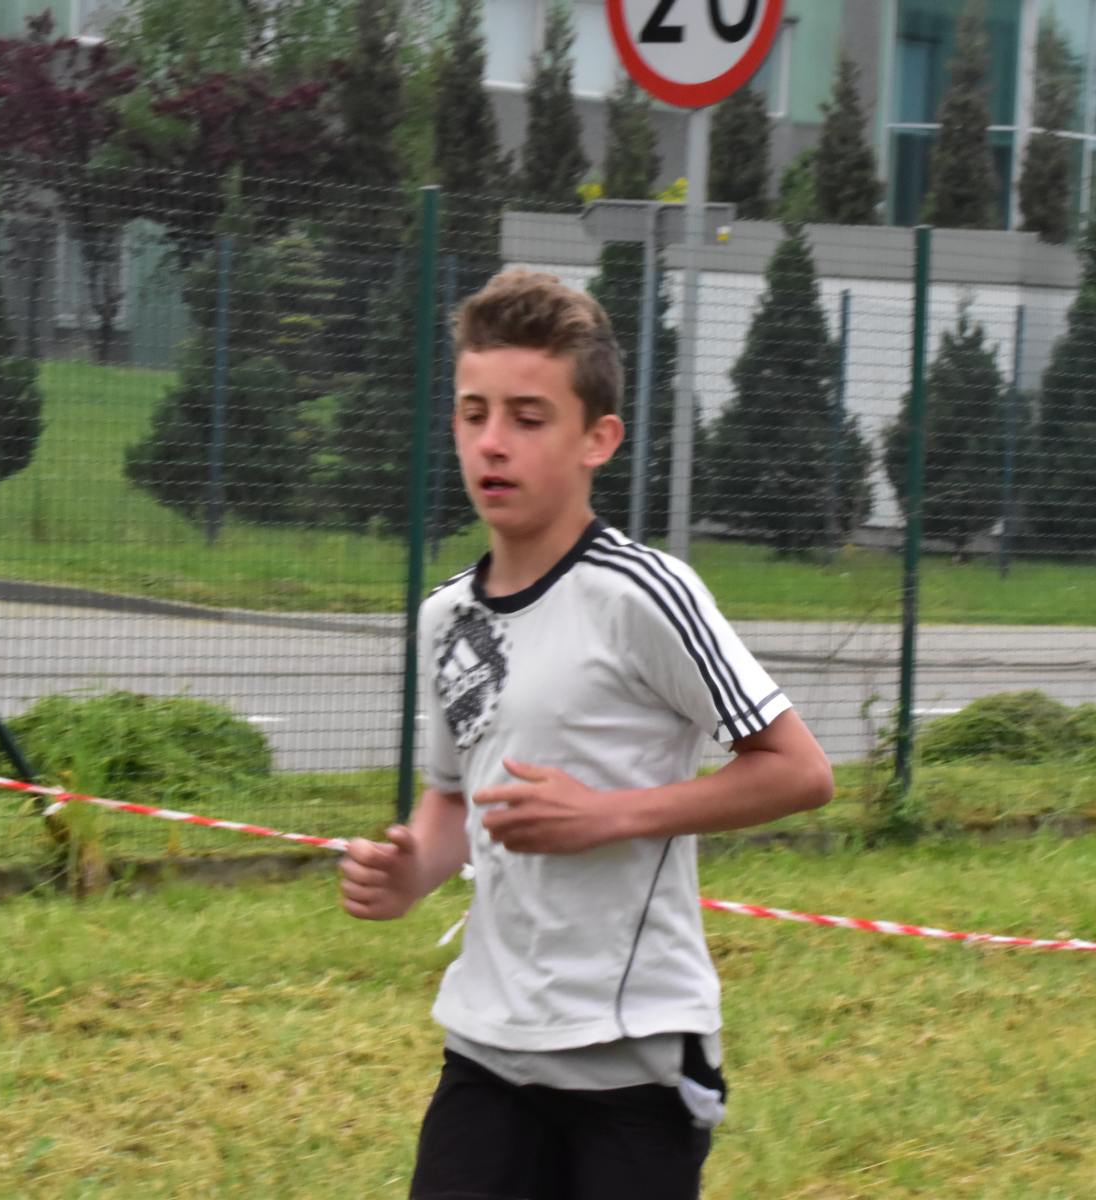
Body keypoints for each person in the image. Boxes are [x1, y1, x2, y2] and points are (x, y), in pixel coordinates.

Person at [340, 268, 833, 1199]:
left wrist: (608, 815)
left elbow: (799, 771)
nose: (493, 442)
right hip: (487, 1045)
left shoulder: (644, 593)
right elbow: (453, 798)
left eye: (528, 418)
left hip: (632, 1056)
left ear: (596, 439)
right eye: (473, 413)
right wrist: (411, 872)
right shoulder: (444, 616)